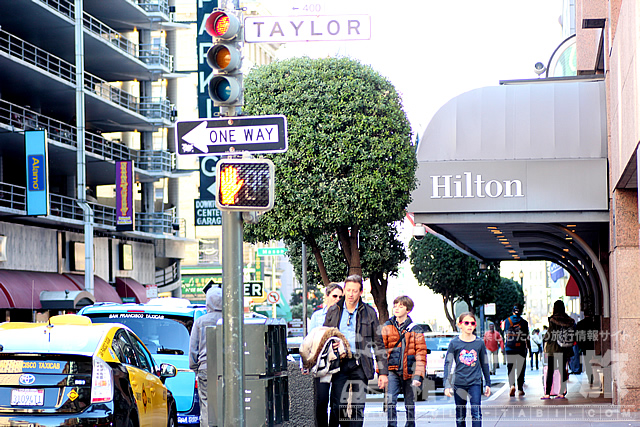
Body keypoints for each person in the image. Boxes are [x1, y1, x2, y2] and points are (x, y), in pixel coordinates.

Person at [323, 274, 388, 426]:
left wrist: (383, 373)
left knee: (358, 408)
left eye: (355, 291)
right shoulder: (333, 310)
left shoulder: (369, 312)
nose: (351, 294)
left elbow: (378, 343)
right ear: (344, 290)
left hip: (361, 363)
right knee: (338, 405)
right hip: (339, 363)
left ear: (360, 292)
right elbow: (325, 336)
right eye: (349, 290)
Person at [381, 296, 427, 427]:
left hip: (409, 371)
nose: (396, 308)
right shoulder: (387, 326)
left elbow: (421, 353)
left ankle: (410, 424)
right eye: (395, 305)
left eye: (400, 306)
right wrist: (381, 373)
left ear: (408, 309)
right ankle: (391, 425)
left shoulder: (415, 328)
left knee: (409, 403)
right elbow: (381, 350)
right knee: (390, 401)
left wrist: (418, 375)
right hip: (392, 370)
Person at [443, 312, 491, 427]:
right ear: (460, 325)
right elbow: (448, 364)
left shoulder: (479, 342)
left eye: (472, 323)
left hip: (475, 382)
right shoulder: (454, 343)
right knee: (460, 416)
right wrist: (447, 384)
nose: (470, 325)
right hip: (459, 382)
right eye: (466, 323)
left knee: (477, 414)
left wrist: (488, 383)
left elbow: (484, 363)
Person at [305, 282, 343, 426]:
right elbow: (310, 340)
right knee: (321, 401)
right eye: (334, 296)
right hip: (321, 364)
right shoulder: (317, 316)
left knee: (338, 403)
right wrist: (306, 363)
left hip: (340, 363)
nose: (337, 299)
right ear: (326, 297)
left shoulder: (344, 315)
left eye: (340, 296)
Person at [188, 286, 223, 427]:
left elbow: (193, 350)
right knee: (228, 402)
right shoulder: (231, 320)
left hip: (205, 369)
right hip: (229, 370)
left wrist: (195, 368)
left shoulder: (200, 322)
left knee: (207, 405)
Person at [541, 300, 576, 399]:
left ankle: (547, 393)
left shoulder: (553, 320)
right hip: (565, 349)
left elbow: (549, 335)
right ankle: (562, 392)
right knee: (562, 370)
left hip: (553, 349)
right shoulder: (569, 320)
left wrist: (545, 339)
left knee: (551, 370)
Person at [503, 304, 530, 396]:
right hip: (521, 348)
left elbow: (505, 333)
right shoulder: (524, 322)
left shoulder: (507, 321)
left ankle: (512, 386)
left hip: (509, 348)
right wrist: (529, 349)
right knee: (521, 368)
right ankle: (520, 389)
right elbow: (527, 337)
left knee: (510, 368)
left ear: (512, 311)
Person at [576, 304, 600, 388]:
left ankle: (591, 379)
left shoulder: (580, 324)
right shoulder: (595, 324)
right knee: (597, 363)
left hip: (585, 347)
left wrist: (580, 347)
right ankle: (598, 379)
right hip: (595, 347)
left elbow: (577, 337)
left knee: (588, 364)